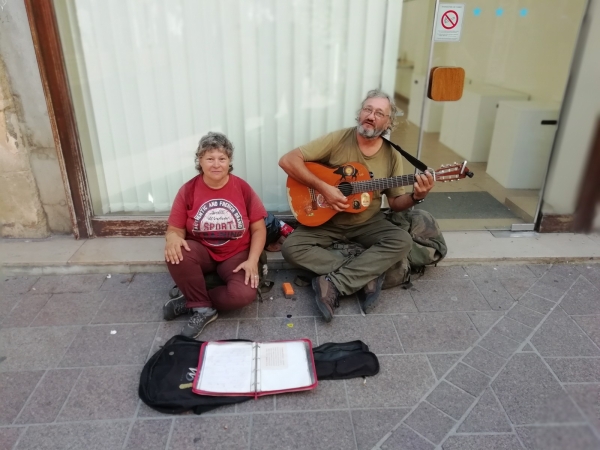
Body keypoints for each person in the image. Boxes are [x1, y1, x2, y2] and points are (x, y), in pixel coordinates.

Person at [279, 89, 434, 322]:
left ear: (389, 122)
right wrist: (324, 188)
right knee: (290, 249)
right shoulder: (339, 139)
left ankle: (334, 282)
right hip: (328, 220)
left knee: (402, 241)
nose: (371, 116)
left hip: (368, 222)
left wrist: (416, 196)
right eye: (367, 109)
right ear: (360, 113)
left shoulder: (392, 155)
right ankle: (365, 275)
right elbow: (287, 160)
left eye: (379, 113)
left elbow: (394, 202)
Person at [163, 132, 267, 338]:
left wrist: (253, 260)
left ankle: (193, 300)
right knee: (176, 252)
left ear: (229, 161)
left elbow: (259, 229)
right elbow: (175, 229)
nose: (216, 164)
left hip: (236, 253)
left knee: (243, 295)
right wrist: (172, 237)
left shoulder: (242, 188)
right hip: (202, 251)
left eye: (222, 158)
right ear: (199, 161)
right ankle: (203, 310)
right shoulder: (188, 190)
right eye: (210, 158)